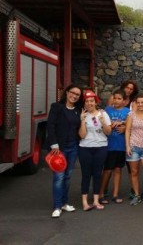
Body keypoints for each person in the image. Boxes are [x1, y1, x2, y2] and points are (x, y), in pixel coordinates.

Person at [46, 84, 84, 218]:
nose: (74, 96)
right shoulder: (57, 107)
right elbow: (50, 125)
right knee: (59, 177)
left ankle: (64, 203)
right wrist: (54, 144)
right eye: (72, 93)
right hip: (59, 149)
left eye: (77, 95)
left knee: (67, 176)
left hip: (73, 147)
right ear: (67, 92)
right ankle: (57, 206)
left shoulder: (79, 110)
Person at [78, 90, 112, 211]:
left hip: (101, 147)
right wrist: (82, 120)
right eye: (87, 101)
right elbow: (82, 135)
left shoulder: (103, 114)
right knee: (86, 174)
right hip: (85, 148)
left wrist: (103, 122)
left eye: (91, 101)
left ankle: (96, 200)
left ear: (96, 102)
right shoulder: (82, 115)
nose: (89, 103)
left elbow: (108, 133)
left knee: (97, 174)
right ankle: (85, 202)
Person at [99, 89, 130, 204]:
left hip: (121, 146)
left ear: (124, 101)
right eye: (115, 98)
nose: (116, 101)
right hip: (109, 145)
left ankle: (115, 194)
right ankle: (101, 193)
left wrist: (123, 123)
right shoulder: (107, 110)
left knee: (118, 169)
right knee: (107, 170)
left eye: (119, 99)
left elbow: (131, 123)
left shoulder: (128, 111)